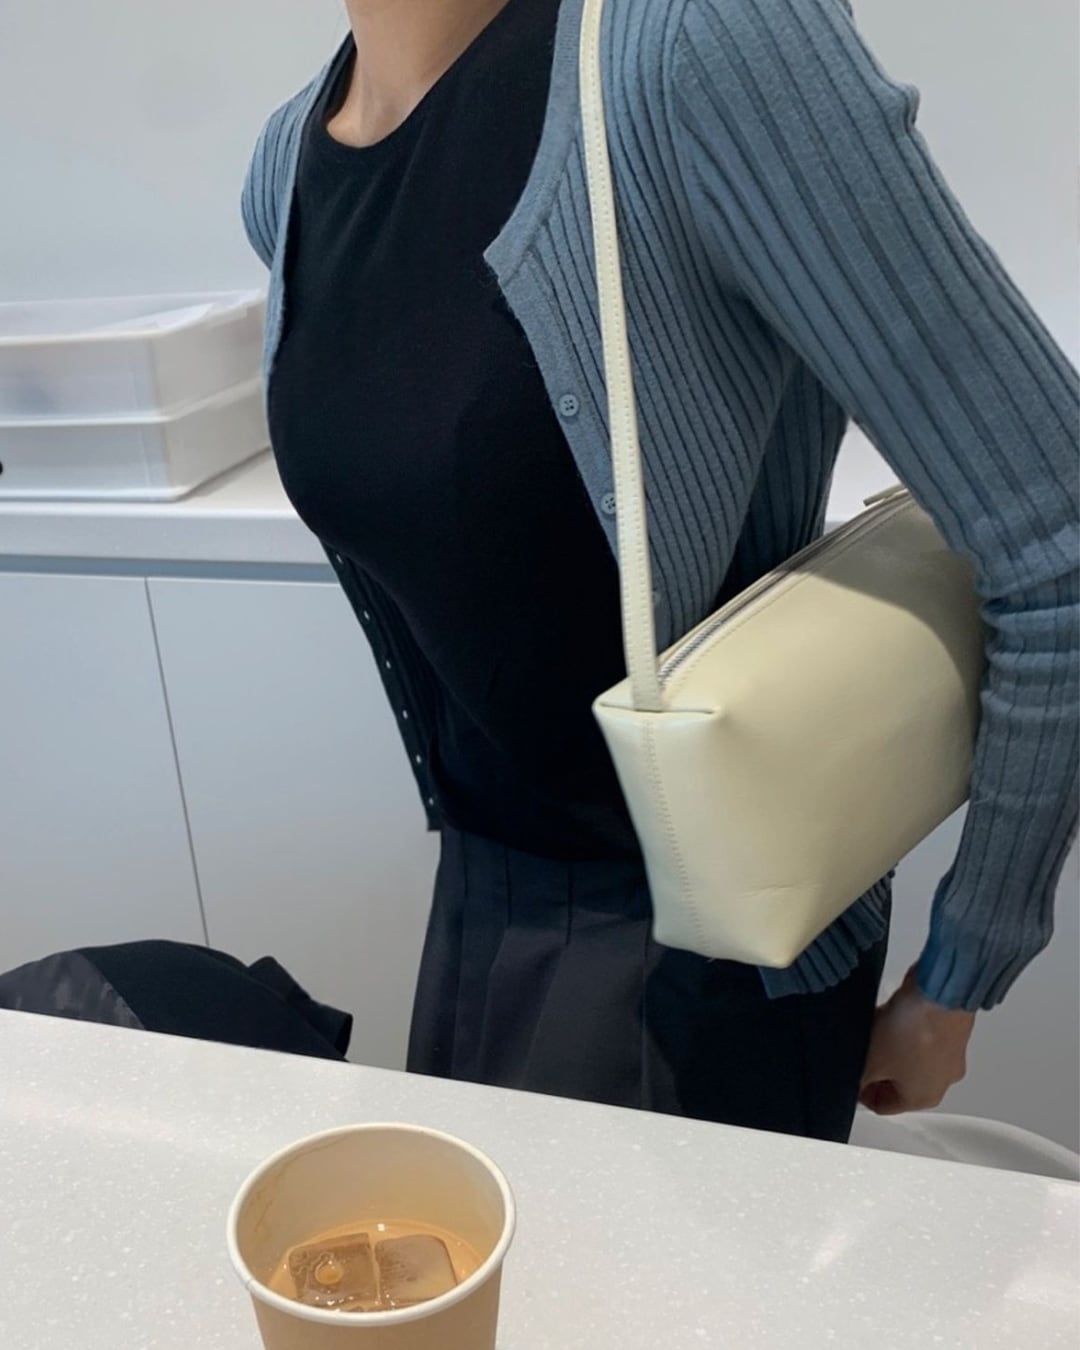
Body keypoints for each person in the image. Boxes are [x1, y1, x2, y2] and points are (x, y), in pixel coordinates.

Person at [242, 0, 1078, 1142]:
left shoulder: (699, 48)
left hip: (712, 959)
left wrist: (963, 968)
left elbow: (1054, 540)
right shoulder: (287, 168)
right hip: (479, 900)